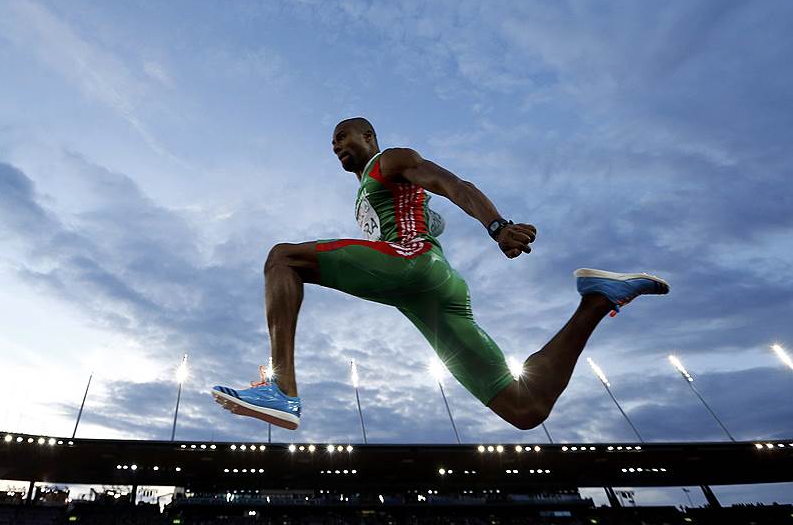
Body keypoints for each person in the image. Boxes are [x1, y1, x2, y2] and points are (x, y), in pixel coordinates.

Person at [212, 117, 668, 431]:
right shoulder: (370, 192)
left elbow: (452, 184)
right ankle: (596, 300)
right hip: (428, 293)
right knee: (525, 408)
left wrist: (497, 225)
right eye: (331, 144)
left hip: (411, 262)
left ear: (368, 136)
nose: (335, 147)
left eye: (342, 136)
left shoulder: (390, 160)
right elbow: (424, 210)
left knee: (282, 258)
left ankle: (282, 387)